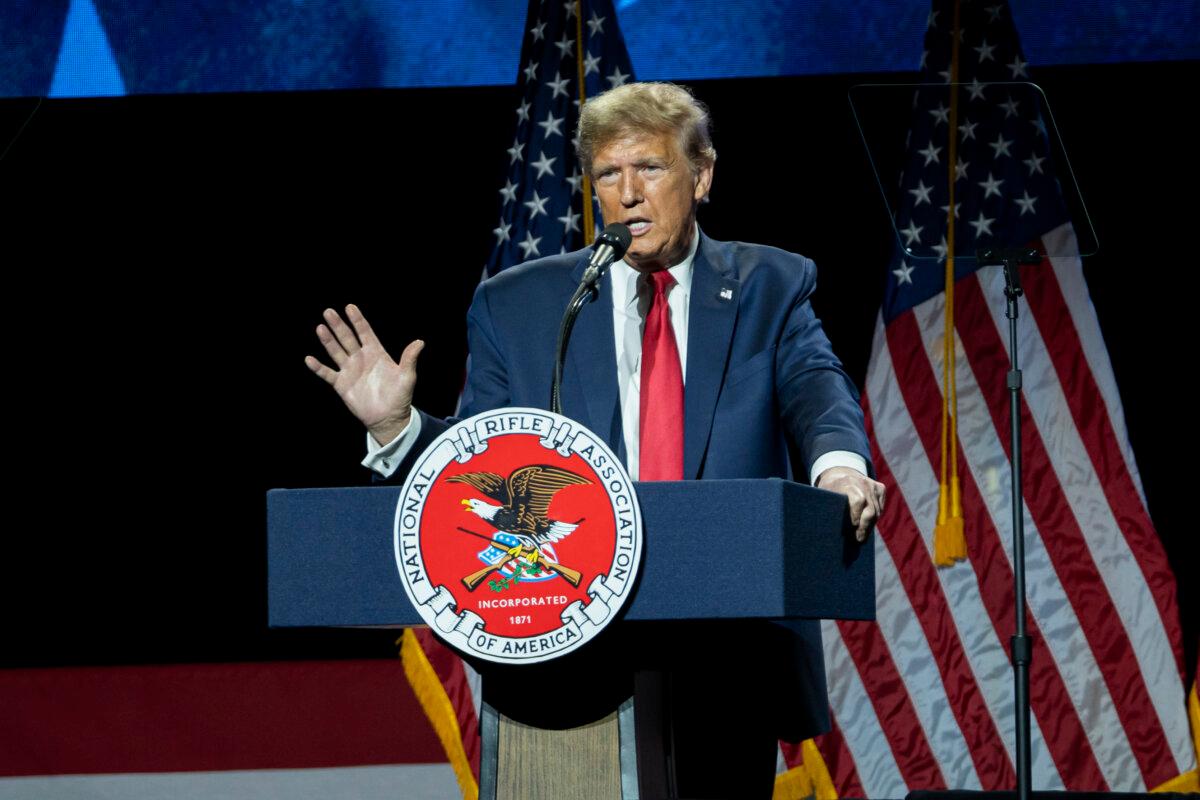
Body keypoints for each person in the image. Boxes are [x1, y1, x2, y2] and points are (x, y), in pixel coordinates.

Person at [307, 81, 884, 799]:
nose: (628, 193)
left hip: (724, 650)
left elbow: (815, 387)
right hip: (558, 657)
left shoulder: (771, 284)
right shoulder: (520, 304)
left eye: (650, 168)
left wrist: (838, 469)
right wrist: (397, 427)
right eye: (608, 175)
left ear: (701, 176)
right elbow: (479, 460)